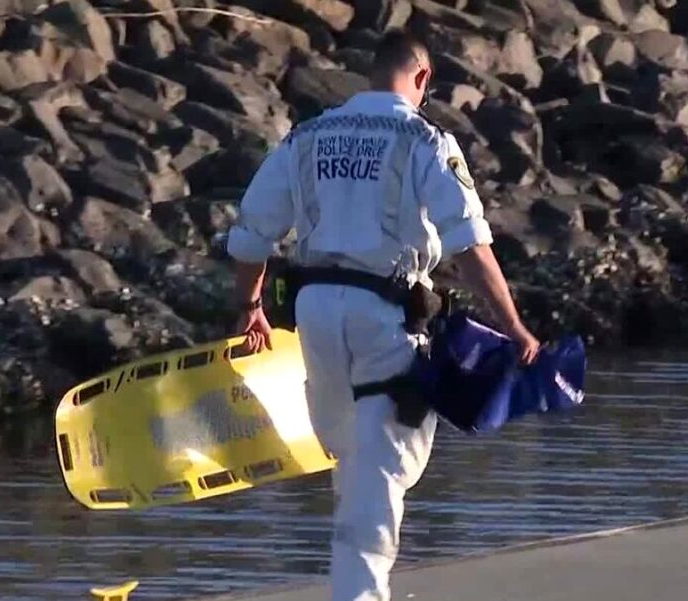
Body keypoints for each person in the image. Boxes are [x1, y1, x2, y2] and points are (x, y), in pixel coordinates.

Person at [225, 29, 540, 601]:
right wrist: (512, 325)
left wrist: (250, 307)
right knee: (384, 464)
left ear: (371, 74)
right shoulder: (424, 140)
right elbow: (470, 245)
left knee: (350, 453)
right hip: (385, 315)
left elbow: (251, 237)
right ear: (422, 79)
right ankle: (361, 593)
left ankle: (361, 582)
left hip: (314, 312)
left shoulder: (308, 136)